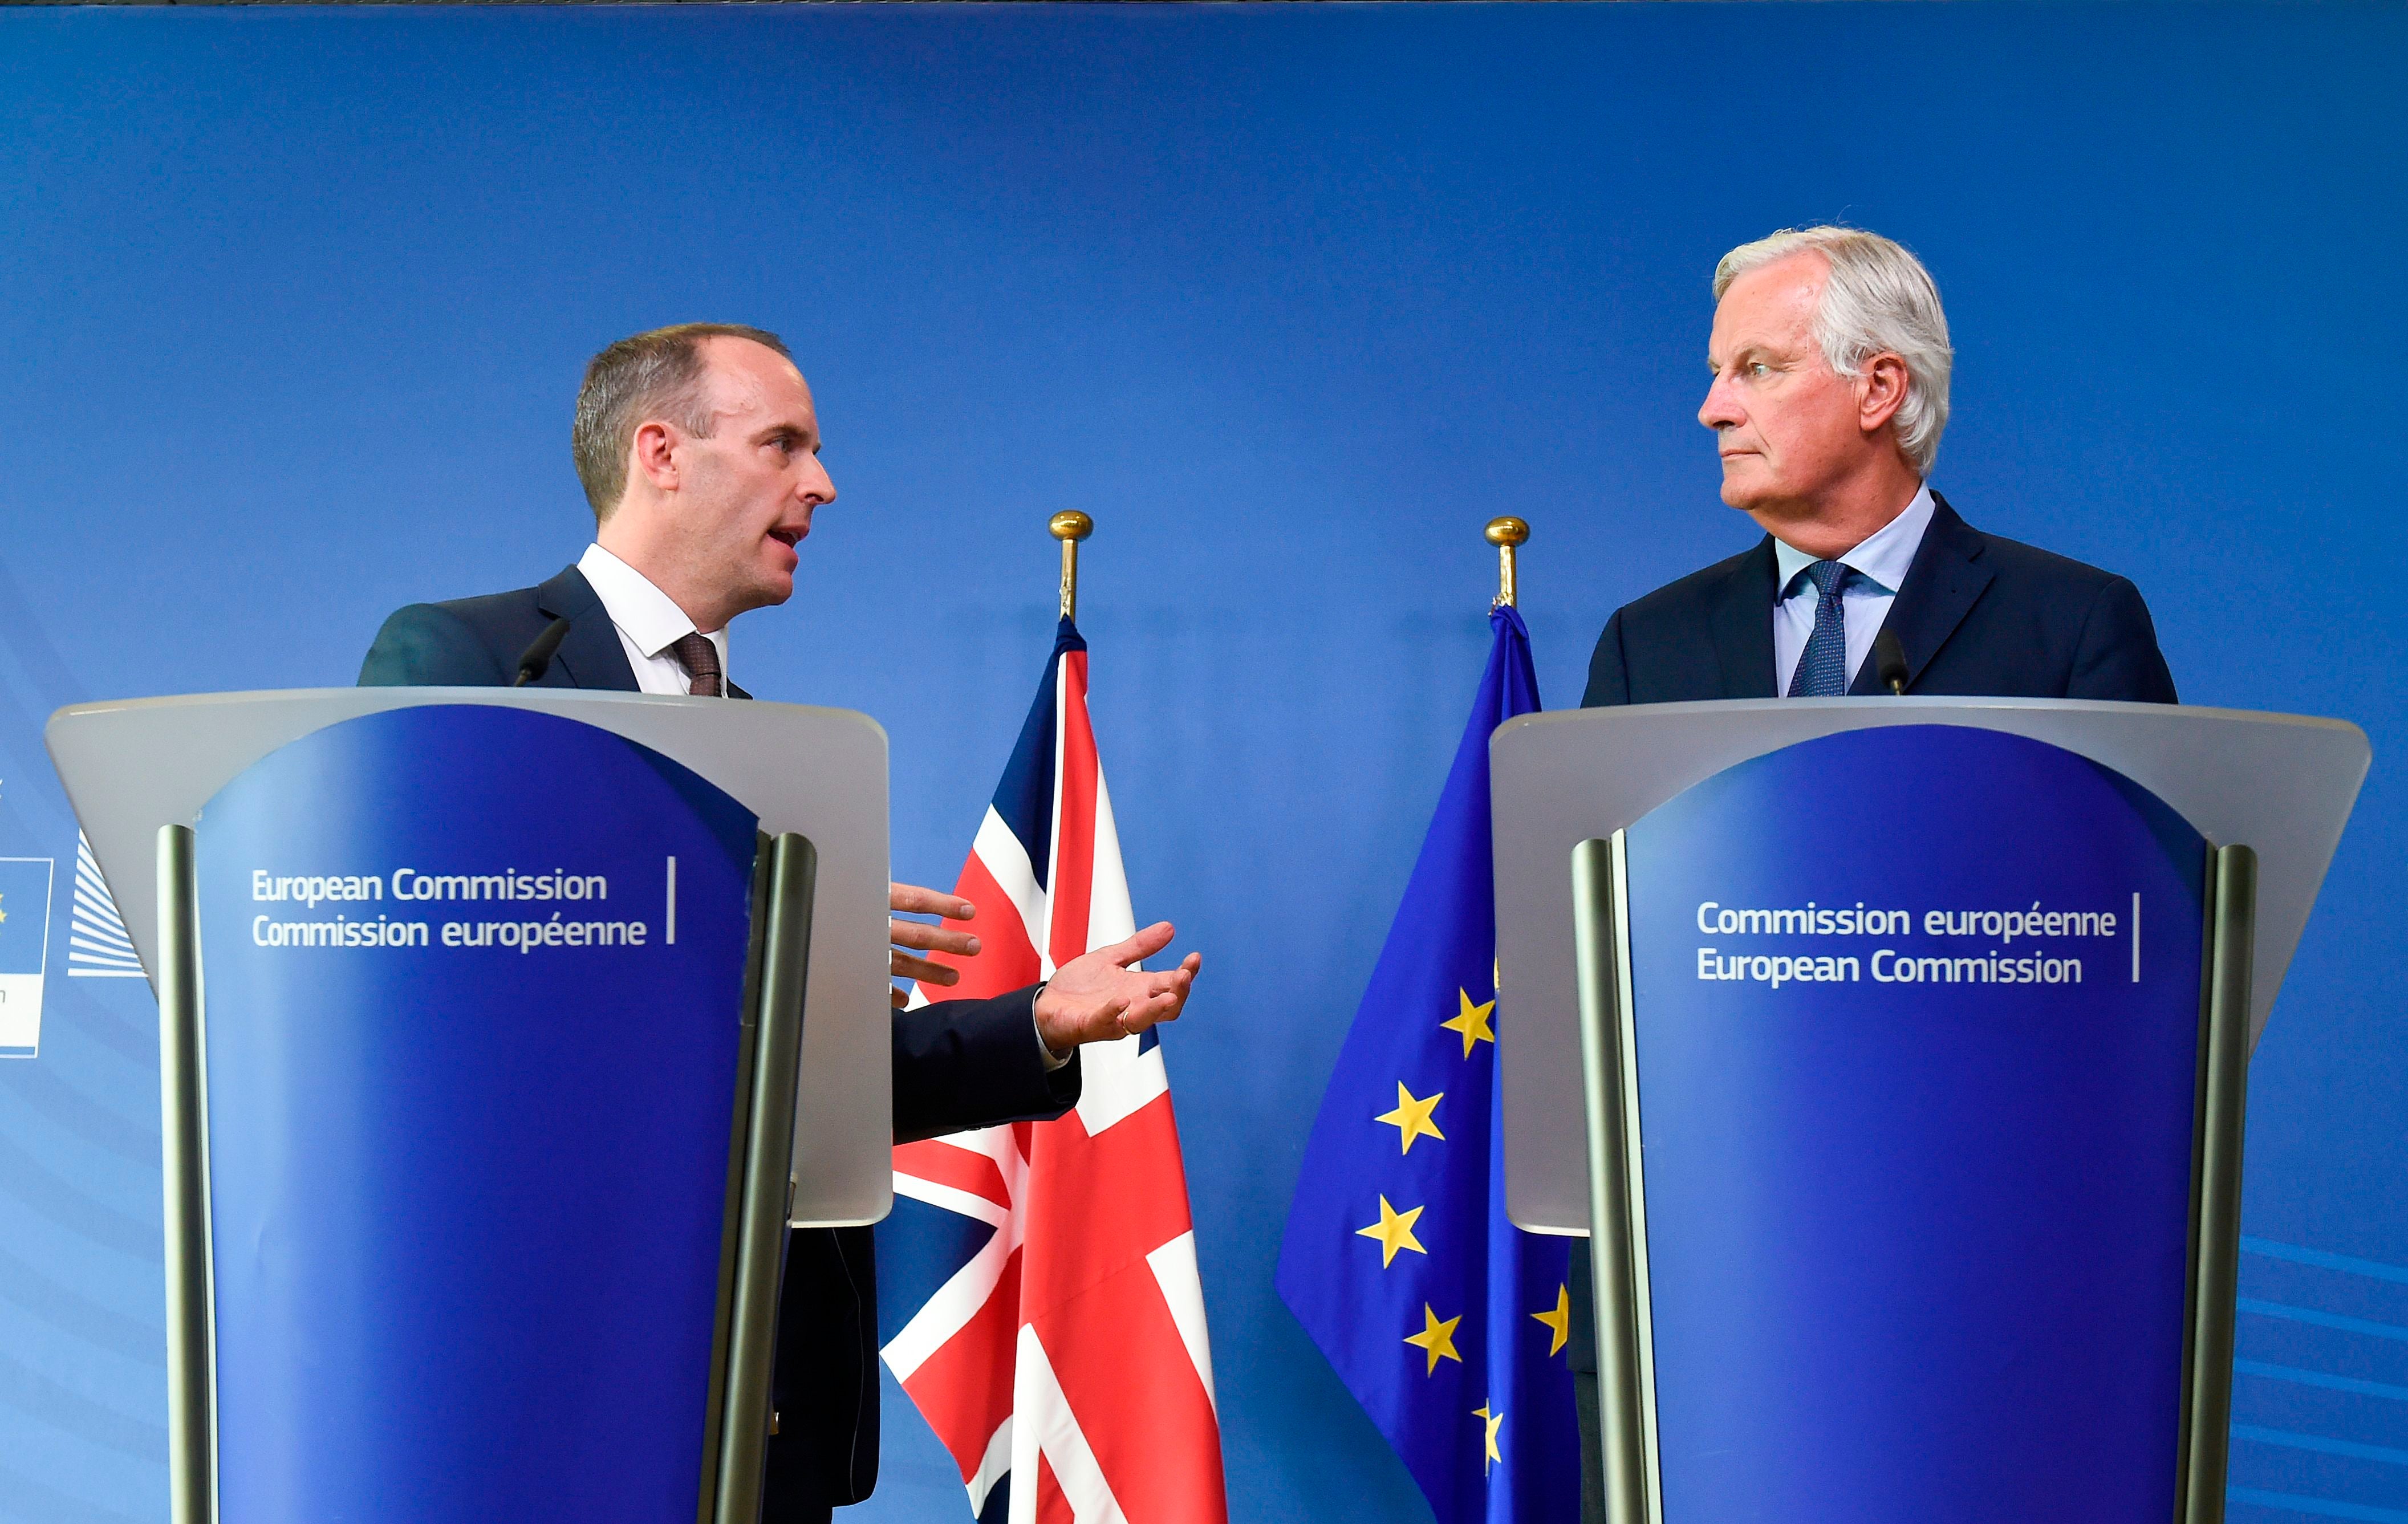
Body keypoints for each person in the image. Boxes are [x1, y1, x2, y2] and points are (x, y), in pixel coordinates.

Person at [359, 323, 1202, 1522]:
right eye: (783, 445)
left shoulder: (777, 747)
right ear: (660, 451)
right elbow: (447, 980)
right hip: (545, 1371)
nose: (823, 483)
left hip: (762, 1401)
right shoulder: (469, 657)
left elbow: (805, 1087)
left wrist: (1042, 1021)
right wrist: (726, 921)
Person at [1582, 226, 2178, 706]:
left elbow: (2136, 854)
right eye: (1717, 373)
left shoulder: (2071, 625)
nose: (1712, 411)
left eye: (1758, 368)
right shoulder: (1644, 645)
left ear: (1877, 389)